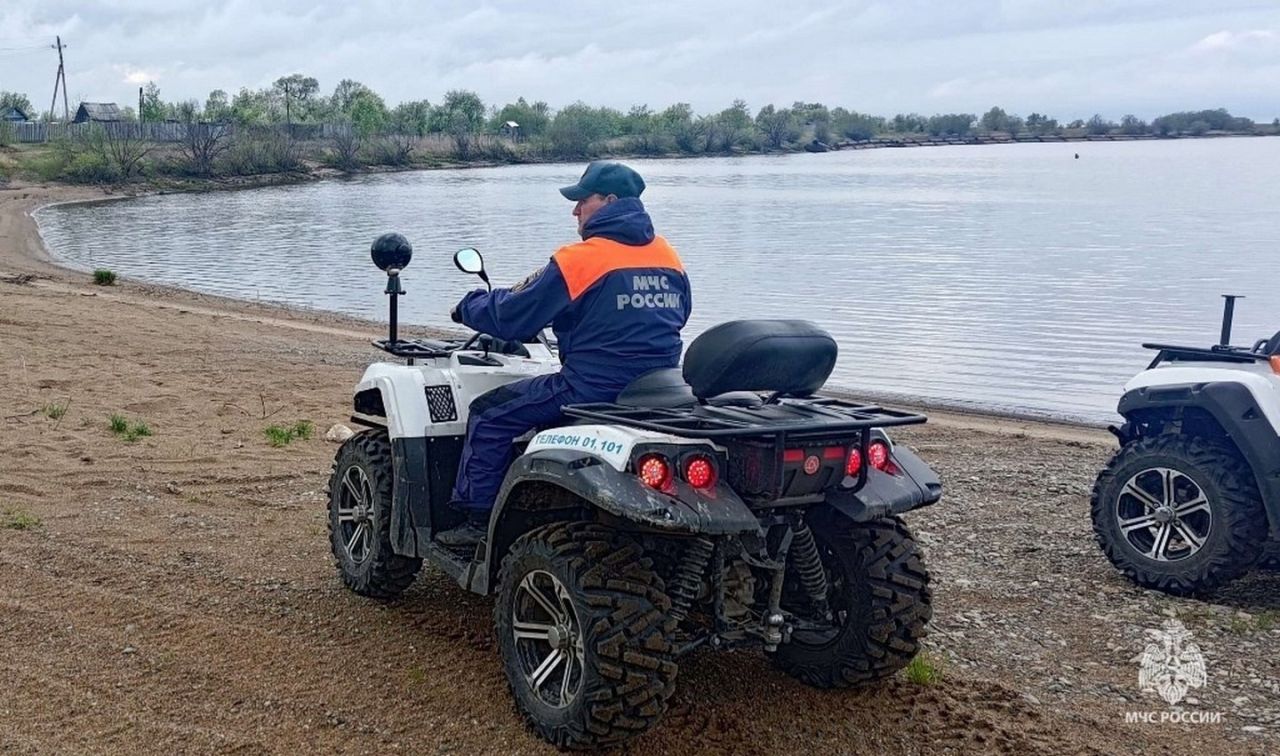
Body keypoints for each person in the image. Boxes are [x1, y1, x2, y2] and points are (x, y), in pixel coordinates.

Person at [438, 161, 693, 546]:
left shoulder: (581, 259)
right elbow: (680, 313)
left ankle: (477, 523)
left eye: (581, 200)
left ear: (609, 201)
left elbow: (513, 317)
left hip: (590, 388)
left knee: (488, 415)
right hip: (662, 388)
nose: (575, 210)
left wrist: (470, 305)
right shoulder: (668, 255)